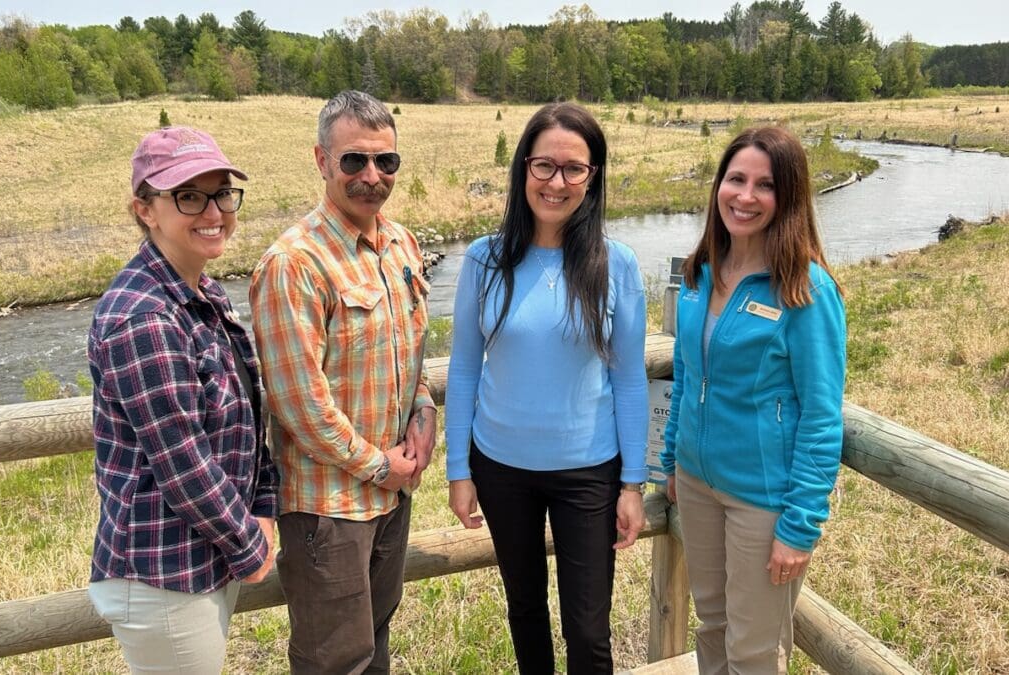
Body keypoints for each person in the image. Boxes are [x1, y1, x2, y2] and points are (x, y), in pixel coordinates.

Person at [445, 102, 648, 675]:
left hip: (589, 470)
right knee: (525, 609)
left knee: (589, 628)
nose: (556, 183)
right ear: (523, 169)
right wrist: (458, 470)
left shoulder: (617, 264)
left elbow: (630, 378)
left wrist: (633, 482)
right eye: (544, 166)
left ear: (592, 177)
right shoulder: (485, 259)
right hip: (500, 467)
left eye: (573, 168)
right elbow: (463, 368)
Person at [249, 90, 435, 674]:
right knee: (335, 661)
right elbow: (299, 404)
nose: (372, 176)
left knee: (373, 647)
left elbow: (411, 353)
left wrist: (424, 417)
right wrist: (381, 465)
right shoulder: (293, 263)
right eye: (355, 160)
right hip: (328, 510)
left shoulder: (401, 244)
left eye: (386, 161)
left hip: (391, 494)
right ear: (322, 160)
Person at [86, 126, 279, 673]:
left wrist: (263, 507)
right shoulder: (144, 316)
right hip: (164, 573)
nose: (213, 211)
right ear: (145, 210)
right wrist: (249, 542)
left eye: (221, 193)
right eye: (189, 196)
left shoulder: (204, 294)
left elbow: (247, 413)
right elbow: (183, 461)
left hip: (202, 560)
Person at [659, 126, 847, 674]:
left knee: (754, 650)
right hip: (696, 483)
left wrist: (800, 524)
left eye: (765, 185)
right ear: (718, 184)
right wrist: (672, 460)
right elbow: (686, 375)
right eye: (736, 179)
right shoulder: (700, 272)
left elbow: (821, 416)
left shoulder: (805, 289)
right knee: (712, 625)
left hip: (762, 500)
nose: (745, 196)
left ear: (788, 198)